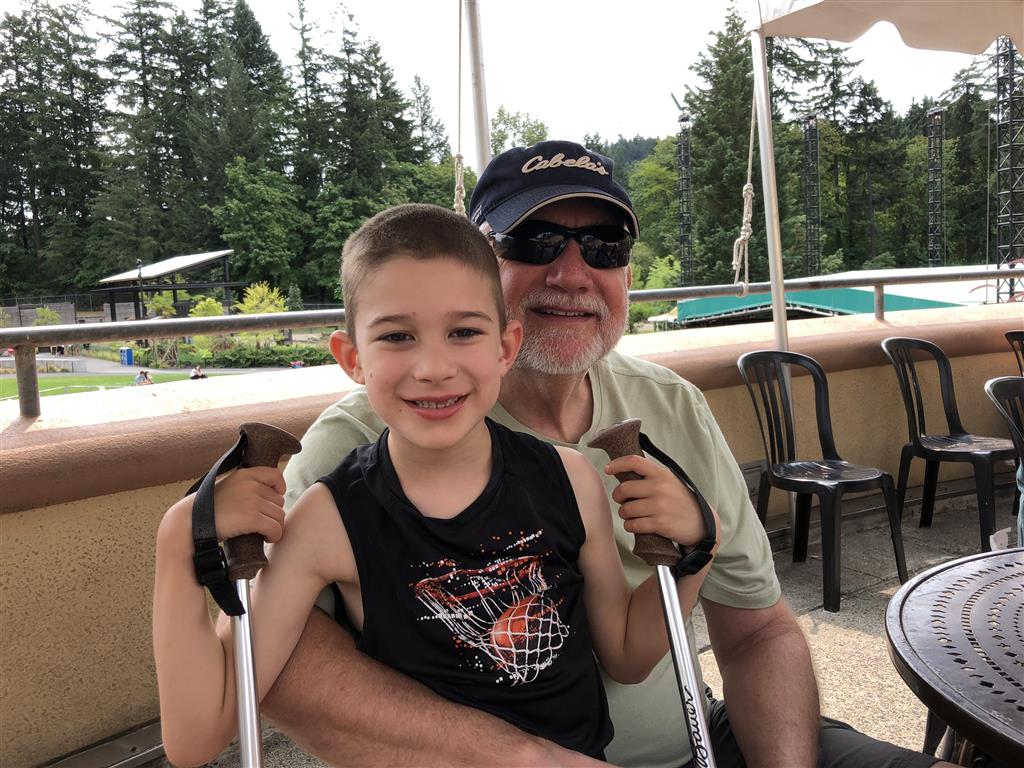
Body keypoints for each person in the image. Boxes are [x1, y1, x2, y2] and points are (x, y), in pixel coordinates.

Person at [268, 141, 953, 768]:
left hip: (701, 741)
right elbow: (276, 664)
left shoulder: (669, 404)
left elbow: (756, 633)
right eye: (534, 240)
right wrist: (525, 757)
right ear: (476, 264)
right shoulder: (359, 444)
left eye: (605, 246)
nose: (572, 273)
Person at [152, 203, 718, 766]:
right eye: (398, 336)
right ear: (352, 358)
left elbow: (627, 656)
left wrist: (697, 547)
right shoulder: (329, 520)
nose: (433, 367)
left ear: (505, 347)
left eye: (464, 332)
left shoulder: (570, 480)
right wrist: (179, 543)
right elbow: (199, 735)